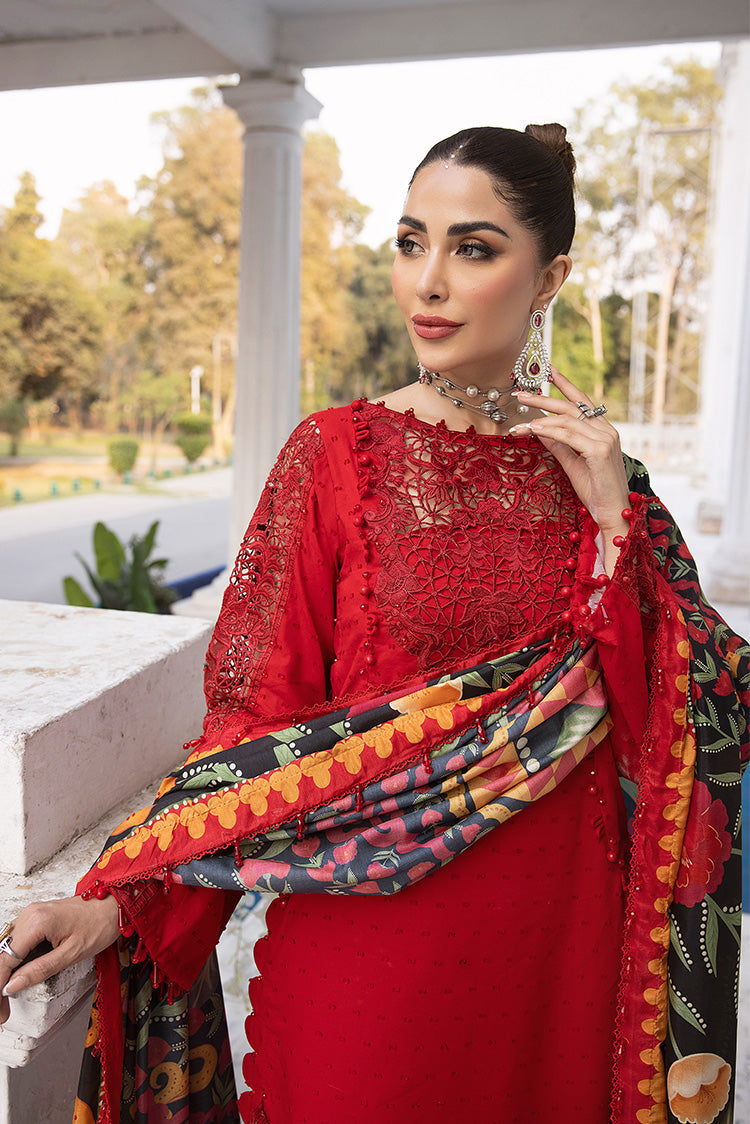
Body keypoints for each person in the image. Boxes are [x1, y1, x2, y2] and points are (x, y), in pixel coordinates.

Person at [0, 124, 747, 1124]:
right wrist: (126, 897)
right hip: (371, 957)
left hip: (562, 951)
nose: (427, 282)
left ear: (549, 278)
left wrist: (616, 522)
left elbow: (692, 716)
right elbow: (254, 732)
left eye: (472, 249)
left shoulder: (608, 482)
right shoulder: (334, 457)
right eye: (410, 242)